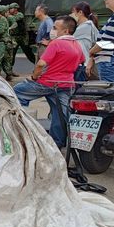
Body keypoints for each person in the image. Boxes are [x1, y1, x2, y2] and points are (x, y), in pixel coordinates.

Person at [14, 16, 84, 148]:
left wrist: (34, 77)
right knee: (61, 115)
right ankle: (58, 143)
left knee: (16, 92)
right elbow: (81, 60)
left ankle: (20, 127)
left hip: (47, 82)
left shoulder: (57, 43)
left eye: (55, 28)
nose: (52, 30)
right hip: (66, 85)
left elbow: (41, 64)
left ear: (65, 31)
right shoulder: (76, 44)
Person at [70, 1, 99, 81]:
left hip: (81, 64)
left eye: (73, 12)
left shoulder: (85, 27)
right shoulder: (88, 25)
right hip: (82, 63)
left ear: (80, 12)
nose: (71, 15)